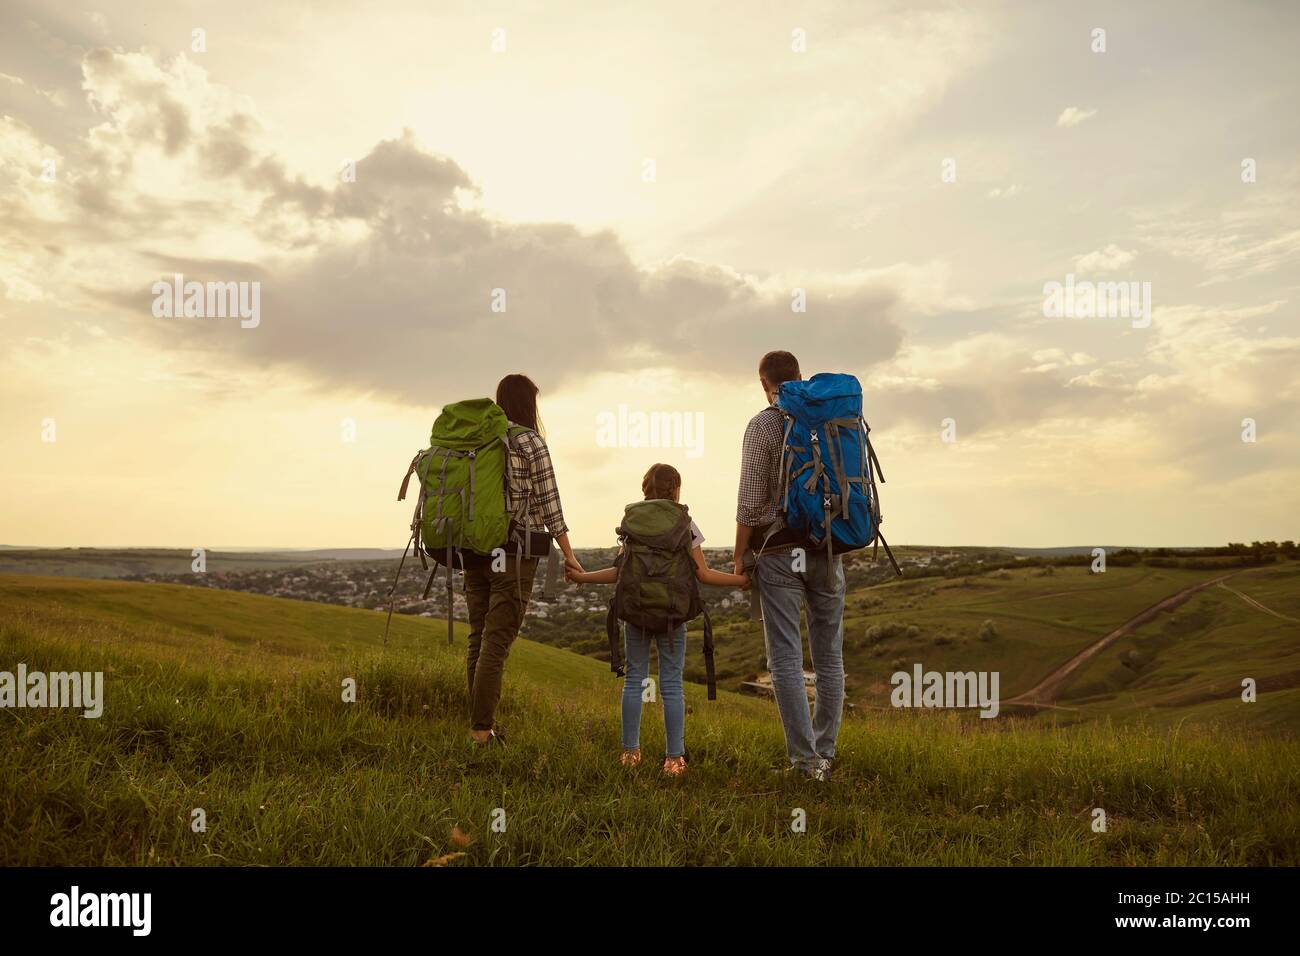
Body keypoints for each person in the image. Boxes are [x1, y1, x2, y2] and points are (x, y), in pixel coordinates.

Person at [567, 463, 749, 776]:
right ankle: (674, 760)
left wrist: (584, 577)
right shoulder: (685, 523)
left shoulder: (633, 523)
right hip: (672, 615)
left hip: (636, 611)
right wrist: (741, 581)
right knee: (671, 685)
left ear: (645, 491)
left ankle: (630, 753)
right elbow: (703, 574)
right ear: (675, 489)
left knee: (634, 681)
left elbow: (620, 572)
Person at [733, 351, 846, 782]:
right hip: (829, 547)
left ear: (763, 383)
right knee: (829, 657)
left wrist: (741, 553)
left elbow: (748, 501)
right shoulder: (829, 418)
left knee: (784, 656)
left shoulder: (763, 424)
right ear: (801, 376)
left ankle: (804, 764)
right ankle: (826, 754)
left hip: (779, 551)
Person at [464, 374, 582, 746]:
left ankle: (479, 725)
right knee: (496, 643)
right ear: (530, 404)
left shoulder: (477, 439)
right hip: (513, 553)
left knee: (478, 638)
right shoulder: (530, 442)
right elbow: (550, 505)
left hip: (474, 550)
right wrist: (569, 554)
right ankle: (482, 732)